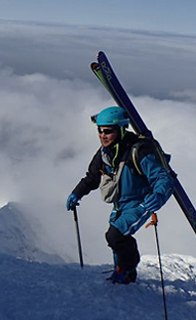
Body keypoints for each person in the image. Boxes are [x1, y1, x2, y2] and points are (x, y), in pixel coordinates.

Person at [66, 107, 173, 284]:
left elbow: (162, 177)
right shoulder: (105, 153)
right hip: (119, 204)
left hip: (141, 202)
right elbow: (92, 177)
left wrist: (159, 195)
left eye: (107, 131)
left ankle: (125, 269)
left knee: (116, 235)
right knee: (116, 240)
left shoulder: (139, 151)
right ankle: (127, 277)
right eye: (99, 130)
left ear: (121, 129)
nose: (102, 135)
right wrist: (76, 194)